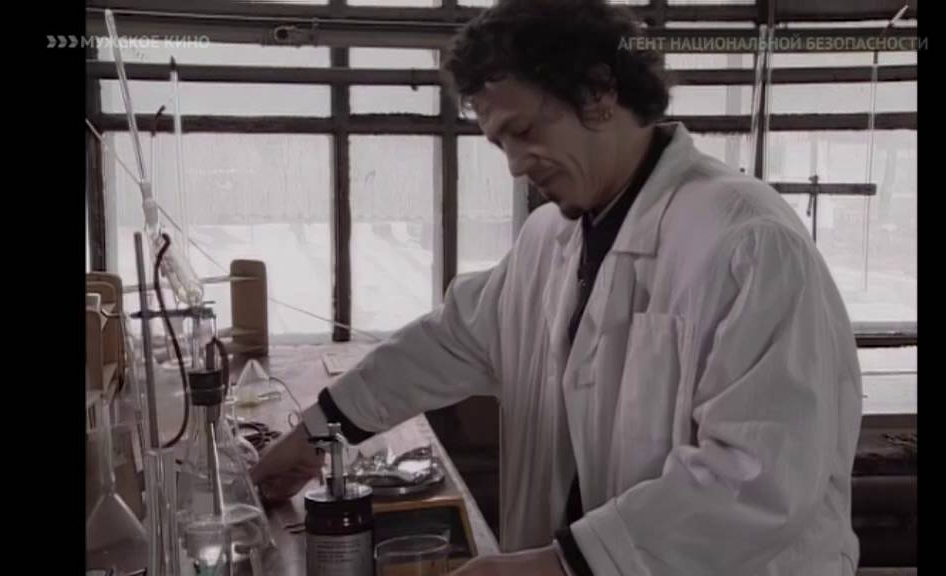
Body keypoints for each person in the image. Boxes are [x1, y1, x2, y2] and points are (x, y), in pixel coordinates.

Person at [251, 1, 863, 574]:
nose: (516, 164)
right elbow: (446, 342)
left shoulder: (746, 241)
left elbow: (757, 482)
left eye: (523, 132)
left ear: (598, 93)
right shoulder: (551, 239)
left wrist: (557, 566)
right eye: (500, 144)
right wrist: (313, 436)